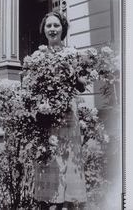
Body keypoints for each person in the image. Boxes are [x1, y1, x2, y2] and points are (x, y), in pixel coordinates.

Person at [34, 12, 88, 210]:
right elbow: (31, 87)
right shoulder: (38, 56)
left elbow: (82, 86)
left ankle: (67, 204)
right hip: (47, 114)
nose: (53, 29)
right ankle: (51, 203)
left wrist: (73, 72)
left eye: (56, 25)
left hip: (68, 114)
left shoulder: (72, 53)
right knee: (50, 156)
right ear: (44, 30)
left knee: (68, 156)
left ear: (63, 29)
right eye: (49, 26)